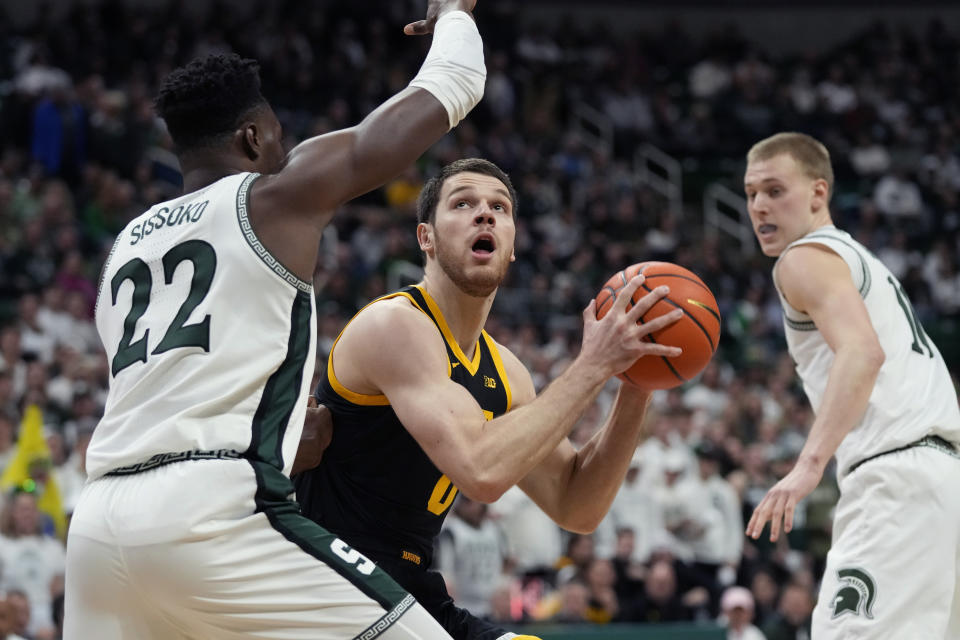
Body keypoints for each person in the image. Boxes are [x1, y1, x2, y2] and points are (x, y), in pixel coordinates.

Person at [64, 2, 487, 638]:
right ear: (254, 138)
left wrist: (287, 440)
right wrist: (453, 14)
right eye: (279, 137)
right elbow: (454, 85)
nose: (285, 150)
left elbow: (182, 388)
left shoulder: (124, 247)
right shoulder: (273, 196)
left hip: (96, 528)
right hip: (213, 512)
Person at [294, 157, 685, 639]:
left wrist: (637, 384)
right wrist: (593, 364)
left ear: (514, 243)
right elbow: (481, 471)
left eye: (499, 208)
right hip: (325, 579)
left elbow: (576, 505)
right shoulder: (395, 324)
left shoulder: (507, 372)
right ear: (426, 238)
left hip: (407, 590)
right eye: (463, 204)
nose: (485, 214)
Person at [742, 132, 960, 639]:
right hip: (943, 477)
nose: (759, 206)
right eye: (751, 193)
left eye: (775, 190)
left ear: (819, 193)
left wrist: (808, 465)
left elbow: (862, 352)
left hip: (895, 479)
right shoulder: (862, 261)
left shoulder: (802, 258)